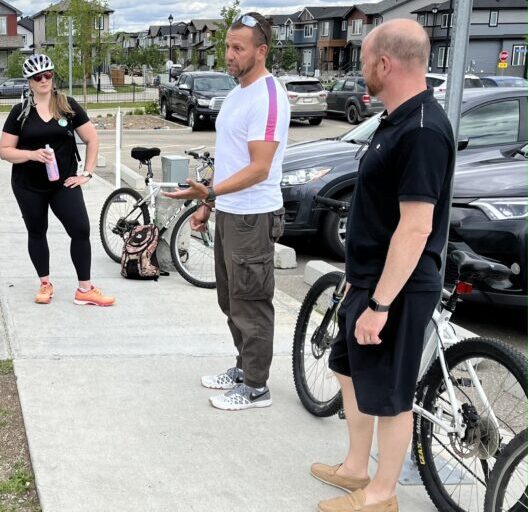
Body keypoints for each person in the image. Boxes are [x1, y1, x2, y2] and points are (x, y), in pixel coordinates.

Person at [311, 20, 453, 512]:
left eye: (366, 60)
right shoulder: (394, 120)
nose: (362, 68)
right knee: (348, 369)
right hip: (367, 279)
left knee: (392, 393)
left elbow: (415, 228)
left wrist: (380, 304)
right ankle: (356, 466)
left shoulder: (423, 131)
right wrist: (358, 278)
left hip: (399, 289)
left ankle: (382, 494)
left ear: (385, 64)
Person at [162, 13, 288, 410]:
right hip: (230, 212)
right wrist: (207, 203)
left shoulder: (269, 97)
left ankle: (256, 387)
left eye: (238, 48)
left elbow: (259, 167)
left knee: (251, 303)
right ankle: (243, 366)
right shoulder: (236, 94)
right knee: (230, 300)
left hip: (254, 215)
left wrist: (211, 190)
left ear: (261, 51)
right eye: (227, 47)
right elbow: (231, 160)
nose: (229, 55)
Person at [0, 54, 113, 307]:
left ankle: (85, 289)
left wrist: (87, 173)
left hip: (64, 183)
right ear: (29, 82)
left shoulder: (67, 106)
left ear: (53, 77)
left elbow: (92, 139)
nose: (43, 80)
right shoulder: (20, 112)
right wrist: (31, 154)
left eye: (47, 75)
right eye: (37, 77)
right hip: (28, 185)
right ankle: (45, 283)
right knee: (37, 231)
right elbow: (4, 150)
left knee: (81, 229)